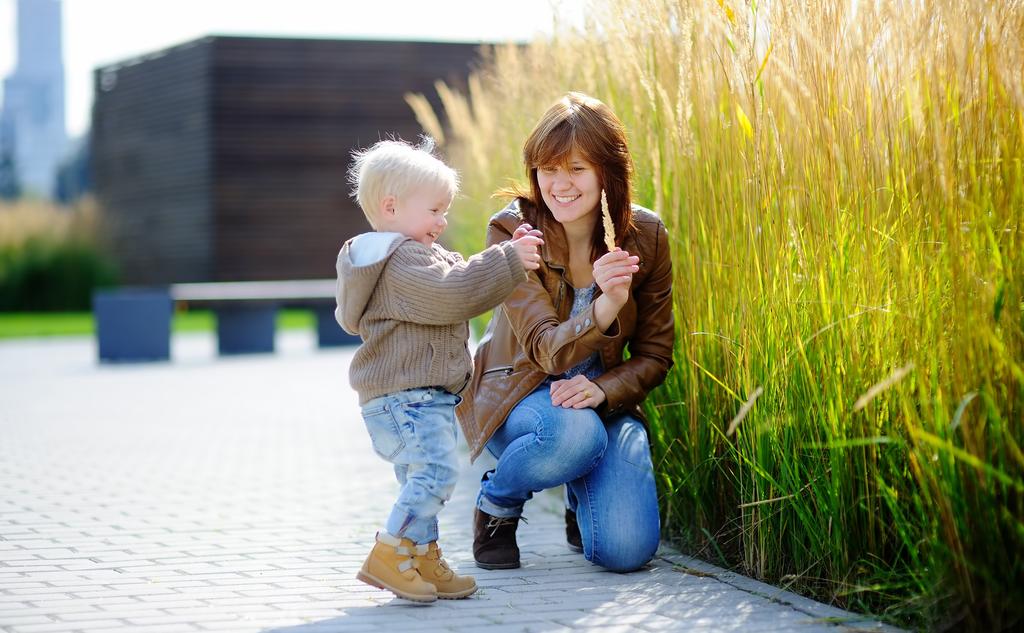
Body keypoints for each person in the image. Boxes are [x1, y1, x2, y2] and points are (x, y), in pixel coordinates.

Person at [456, 93, 675, 573]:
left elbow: (656, 355)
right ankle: (498, 504)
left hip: (606, 406)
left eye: (576, 169)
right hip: (520, 397)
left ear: (607, 172)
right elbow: (545, 351)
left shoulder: (647, 235)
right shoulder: (514, 230)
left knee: (626, 551)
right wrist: (604, 309)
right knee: (573, 434)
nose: (559, 184)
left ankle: (583, 498)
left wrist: (602, 389)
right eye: (547, 169)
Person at [335, 138, 544, 602]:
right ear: (391, 207)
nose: (443, 221)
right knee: (435, 472)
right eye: (434, 210)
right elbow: (454, 292)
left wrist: (508, 252)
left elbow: (459, 272)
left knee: (420, 478)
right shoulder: (400, 260)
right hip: (409, 399)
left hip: (405, 400)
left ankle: (422, 555)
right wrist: (509, 259)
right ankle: (391, 550)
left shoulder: (400, 257)